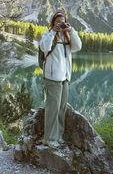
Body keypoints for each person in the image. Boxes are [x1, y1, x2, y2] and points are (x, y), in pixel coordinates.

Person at [39, 10, 82, 148]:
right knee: (52, 108)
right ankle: (49, 138)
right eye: (57, 21)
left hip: (65, 78)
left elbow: (78, 47)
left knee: (61, 108)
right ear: (53, 22)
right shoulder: (47, 34)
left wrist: (71, 31)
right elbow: (44, 47)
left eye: (62, 21)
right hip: (52, 78)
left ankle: (58, 136)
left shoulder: (66, 37)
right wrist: (53, 31)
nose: (60, 24)